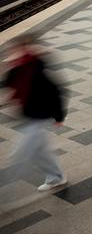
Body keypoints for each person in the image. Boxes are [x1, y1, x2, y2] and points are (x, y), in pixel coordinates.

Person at [2, 33, 67, 194]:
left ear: (25, 50)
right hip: (30, 116)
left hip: (40, 116)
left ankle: (5, 191)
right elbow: (8, 83)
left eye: (16, 49)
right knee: (40, 152)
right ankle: (56, 177)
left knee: (20, 155)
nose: (12, 52)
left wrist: (59, 117)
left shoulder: (37, 69)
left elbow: (56, 92)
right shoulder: (18, 67)